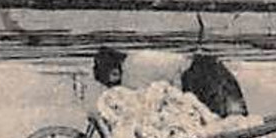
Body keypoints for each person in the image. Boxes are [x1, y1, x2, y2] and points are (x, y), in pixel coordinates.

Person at [92, 46, 248, 118]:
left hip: (195, 77)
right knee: (234, 119)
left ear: (114, 73)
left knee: (212, 126)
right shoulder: (136, 57)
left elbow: (150, 103)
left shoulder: (129, 74)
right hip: (206, 64)